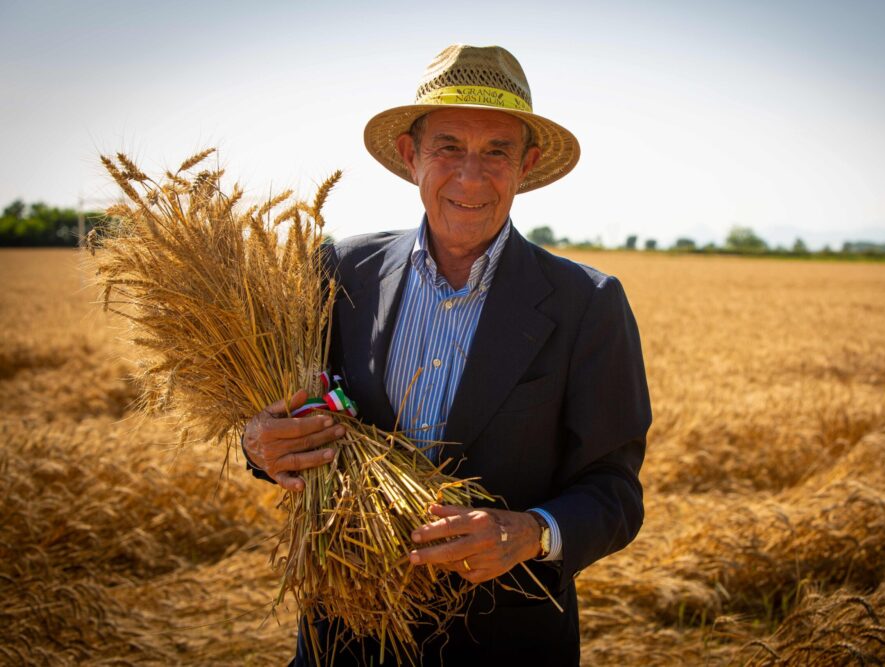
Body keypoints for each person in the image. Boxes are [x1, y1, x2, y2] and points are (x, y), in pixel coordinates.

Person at [243, 44, 651, 666]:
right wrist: (258, 446)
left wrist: (530, 532)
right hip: (342, 639)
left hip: (504, 643)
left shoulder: (587, 304)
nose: (470, 176)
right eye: (448, 147)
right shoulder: (338, 272)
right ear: (411, 157)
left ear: (527, 165)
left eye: (496, 152)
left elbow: (615, 493)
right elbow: (282, 413)